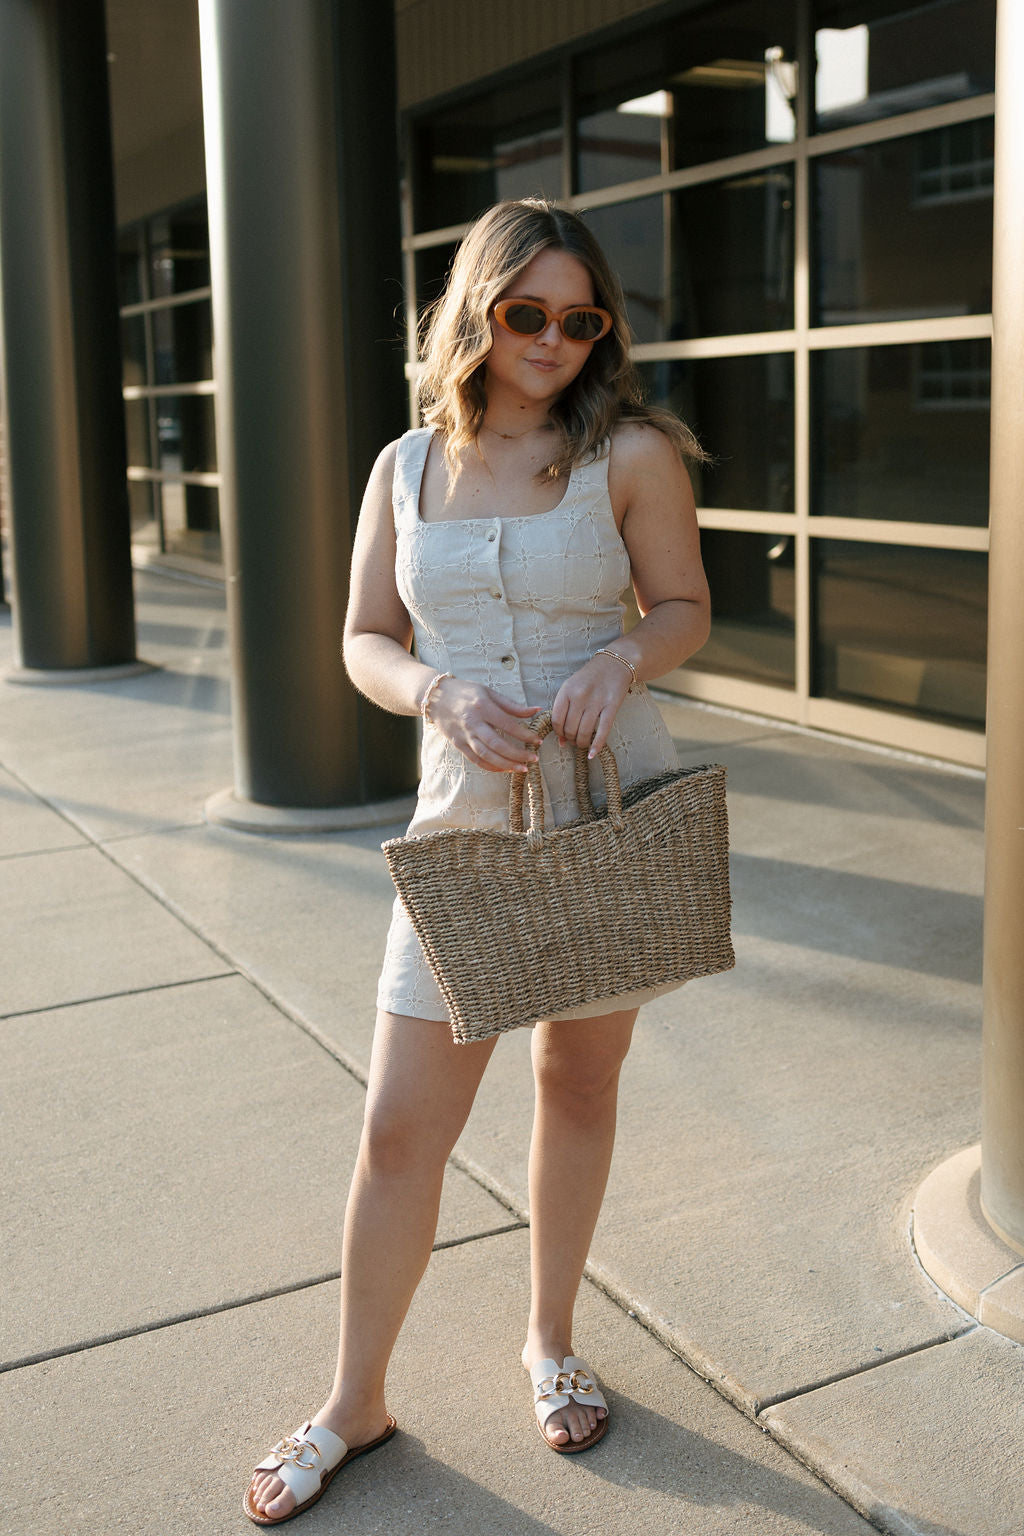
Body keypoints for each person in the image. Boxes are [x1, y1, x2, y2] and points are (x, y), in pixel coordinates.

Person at [245, 197, 711, 1526]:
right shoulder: (404, 468)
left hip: (604, 812)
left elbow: (684, 606)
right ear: (475, 311)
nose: (554, 340)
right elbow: (364, 638)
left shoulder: (630, 453)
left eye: (582, 319)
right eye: (526, 313)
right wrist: (437, 694)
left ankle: (550, 1340)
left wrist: (621, 659)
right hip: (460, 825)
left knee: (577, 1082)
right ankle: (356, 1401)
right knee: (400, 1128)